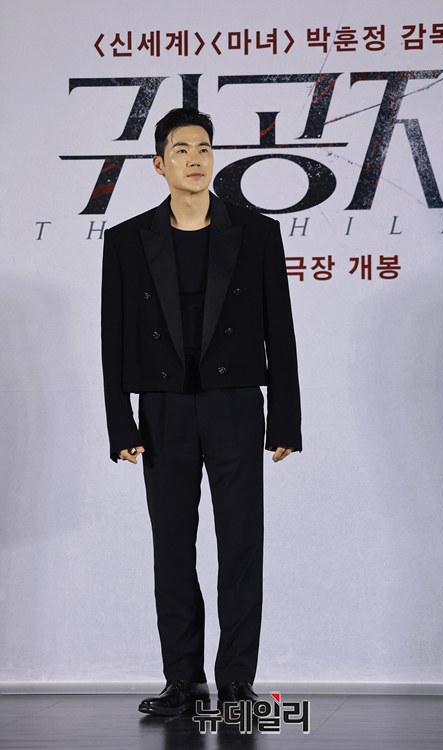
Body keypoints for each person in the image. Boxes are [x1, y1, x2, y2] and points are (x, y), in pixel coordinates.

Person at [101, 107, 302, 716]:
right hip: (162, 408)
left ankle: (237, 680)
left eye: (204, 148)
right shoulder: (127, 240)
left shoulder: (256, 233)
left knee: (241, 544)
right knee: (172, 547)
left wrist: (285, 419)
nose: (195, 159)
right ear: (158, 163)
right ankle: (183, 682)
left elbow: (280, 330)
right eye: (182, 150)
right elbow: (113, 339)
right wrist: (120, 423)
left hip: (235, 403)